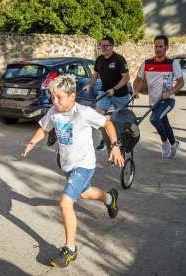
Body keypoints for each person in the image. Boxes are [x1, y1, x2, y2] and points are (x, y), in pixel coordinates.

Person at [22, 74, 124, 268]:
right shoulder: (54, 110)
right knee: (84, 194)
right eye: (52, 97)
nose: (54, 101)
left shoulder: (84, 112)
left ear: (72, 96)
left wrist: (116, 146)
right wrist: (32, 142)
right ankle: (110, 198)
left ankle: (70, 249)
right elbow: (44, 128)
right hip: (67, 165)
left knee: (65, 203)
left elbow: (107, 123)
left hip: (84, 165)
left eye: (59, 97)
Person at [133, 35, 184, 159]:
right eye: (156, 46)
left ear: (166, 47)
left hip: (167, 100)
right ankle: (174, 143)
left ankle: (164, 142)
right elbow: (137, 80)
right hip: (154, 101)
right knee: (164, 122)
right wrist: (135, 91)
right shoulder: (146, 63)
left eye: (160, 46)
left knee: (154, 119)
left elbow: (181, 82)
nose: (158, 49)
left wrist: (169, 92)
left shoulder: (172, 63)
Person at [83, 35, 131, 151]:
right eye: (102, 45)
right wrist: (89, 85)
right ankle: (105, 140)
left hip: (120, 94)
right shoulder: (99, 60)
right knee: (99, 115)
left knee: (121, 120)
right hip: (105, 91)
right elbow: (94, 76)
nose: (103, 48)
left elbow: (126, 78)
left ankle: (120, 139)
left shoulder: (119, 59)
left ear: (112, 46)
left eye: (106, 45)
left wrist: (114, 89)